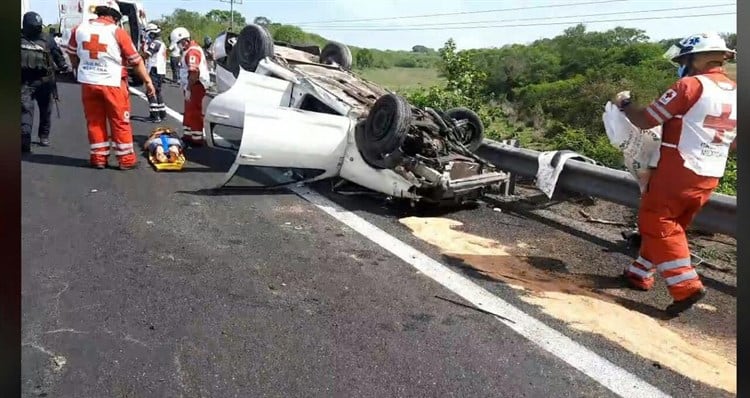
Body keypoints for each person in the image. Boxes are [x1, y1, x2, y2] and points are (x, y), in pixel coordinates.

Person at [613, 32, 736, 316]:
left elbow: (646, 120)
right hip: (710, 172)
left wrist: (625, 104)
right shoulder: (736, 91)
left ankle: (686, 286)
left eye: (684, 58)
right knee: (673, 225)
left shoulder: (689, 85)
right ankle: (639, 272)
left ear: (694, 59)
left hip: (679, 168)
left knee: (656, 220)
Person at [65, 0, 155, 169]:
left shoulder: (78, 30)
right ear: (115, 16)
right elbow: (135, 61)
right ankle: (126, 160)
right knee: (120, 121)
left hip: (89, 82)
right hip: (112, 83)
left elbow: (71, 54)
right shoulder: (117, 32)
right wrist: (148, 81)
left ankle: (98, 158)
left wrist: (79, 68)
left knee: (94, 121)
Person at [21, 11, 69, 152]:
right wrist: (63, 67)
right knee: (46, 110)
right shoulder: (47, 38)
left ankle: (25, 137)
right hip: (45, 81)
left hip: (24, 82)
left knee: (25, 111)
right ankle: (44, 137)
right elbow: (58, 57)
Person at [170, 27, 211, 146]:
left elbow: (194, 72)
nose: (178, 47)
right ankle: (188, 135)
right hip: (192, 84)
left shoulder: (192, 51)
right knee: (189, 111)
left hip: (195, 85)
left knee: (194, 111)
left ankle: (197, 139)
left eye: (178, 43)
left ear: (184, 41)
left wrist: (188, 88)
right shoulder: (190, 50)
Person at [142, 23, 167, 122]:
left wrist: (136, 56)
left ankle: (155, 115)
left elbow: (146, 55)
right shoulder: (162, 43)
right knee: (158, 91)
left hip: (155, 69)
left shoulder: (155, 43)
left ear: (152, 34)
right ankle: (162, 113)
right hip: (161, 70)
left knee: (150, 92)